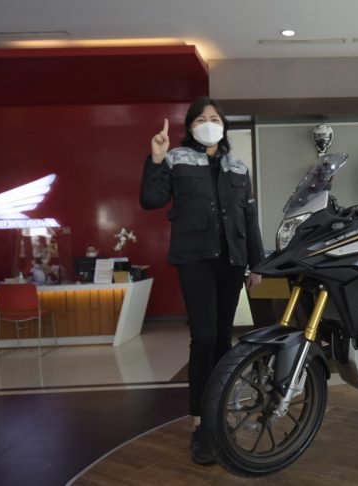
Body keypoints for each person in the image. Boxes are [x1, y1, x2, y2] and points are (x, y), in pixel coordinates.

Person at [139, 96, 264, 465]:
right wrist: (156, 159)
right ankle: (200, 423)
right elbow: (151, 199)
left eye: (215, 118)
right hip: (194, 259)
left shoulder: (238, 167)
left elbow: (249, 219)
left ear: (223, 125)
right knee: (204, 336)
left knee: (223, 338)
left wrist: (258, 265)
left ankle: (219, 411)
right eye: (200, 119)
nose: (208, 123)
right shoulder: (176, 159)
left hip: (231, 261)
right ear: (191, 127)